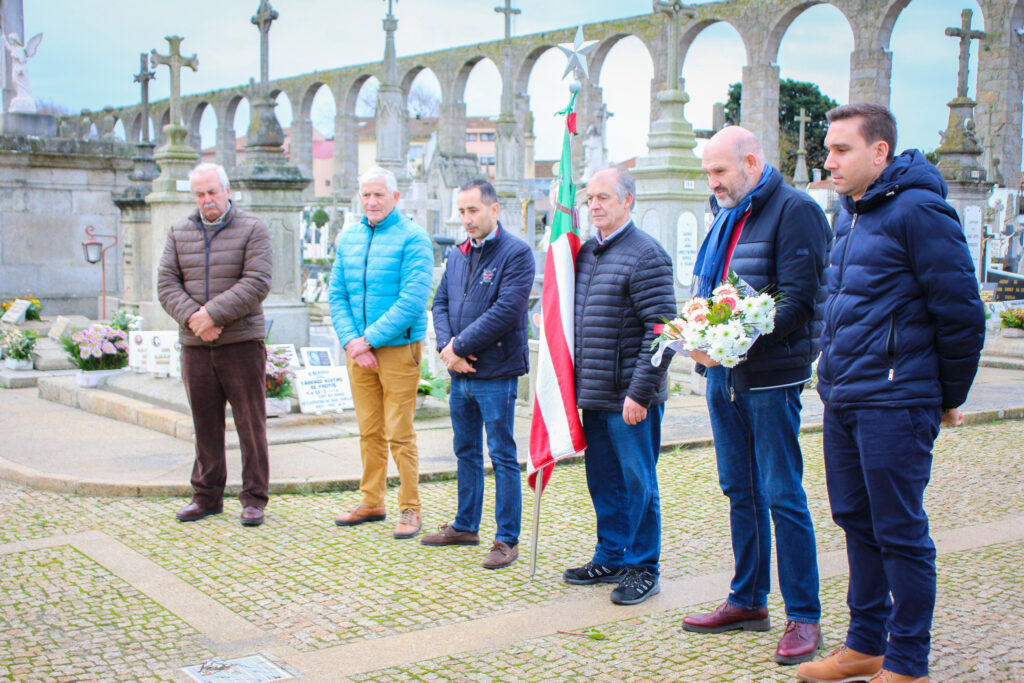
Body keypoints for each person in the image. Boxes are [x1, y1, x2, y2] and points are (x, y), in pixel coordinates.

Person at [797, 103, 985, 683]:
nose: (828, 160)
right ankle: (865, 644)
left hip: (896, 399)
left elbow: (961, 313)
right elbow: (842, 305)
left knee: (900, 530)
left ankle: (907, 662)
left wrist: (944, 394)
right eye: (827, 149)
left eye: (841, 149)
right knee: (855, 518)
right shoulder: (850, 215)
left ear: (880, 152)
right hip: (846, 397)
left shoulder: (920, 211)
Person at [681, 126, 831, 666]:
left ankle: (804, 615)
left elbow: (800, 299)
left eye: (719, 172)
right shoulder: (728, 215)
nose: (713, 183)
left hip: (768, 377)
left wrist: (735, 341)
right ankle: (747, 599)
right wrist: (698, 333)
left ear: (751, 161)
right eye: (708, 174)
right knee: (738, 490)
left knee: (781, 492)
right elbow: (713, 289)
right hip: (722, 375)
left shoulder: (797, 211)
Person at [562, 166, 676, 605]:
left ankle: (644, 567)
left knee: (638, 483)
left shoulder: (647, 254)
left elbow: (662, 329)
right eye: (590, 198)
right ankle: (610, 554)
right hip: (594, 395)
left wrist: (640, 392)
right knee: (604, 482)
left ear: (628, 200)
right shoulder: (588, 253)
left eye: (604, 198)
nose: (594, 206)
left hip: (630, 398)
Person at [422, 179, 535, 569]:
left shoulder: (516, 254)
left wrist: (458, 347)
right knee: (465, 451)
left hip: (496, 372)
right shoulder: (458, 254)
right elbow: (439, 302)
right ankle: (465, 525)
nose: (466, 219)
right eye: (462, 211)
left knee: (502, 454)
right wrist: (446, 349)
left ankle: (507, 538)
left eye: (473, 211)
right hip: (460, 373)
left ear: (493, 209)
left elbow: (505, 312)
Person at [157, 162, 273, 527]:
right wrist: (196, 318)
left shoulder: (252, 229)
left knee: (250, 424)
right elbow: (166, 284)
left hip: (240, 342)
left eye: (212, 192)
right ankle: (206, 496)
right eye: (200, 194)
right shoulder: (179, 232)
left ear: (226, 190)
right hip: (195, 344)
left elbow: (257, 281)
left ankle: (254, 498)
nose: (206, 199)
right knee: (204, 423)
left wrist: (213, 316)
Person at [329, 166, 434, 540]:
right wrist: (352, 341)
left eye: (379, 195)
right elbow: (336, 294)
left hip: (397, 349)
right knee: (369, 431)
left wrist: (367, 340)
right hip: (358, 350)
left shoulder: (414, 239)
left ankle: (410, 507)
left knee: (400, 432)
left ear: (395, 198)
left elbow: (412, 300)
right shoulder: (350, 237)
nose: (372, 201)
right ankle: (372, 500)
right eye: (366, 195)